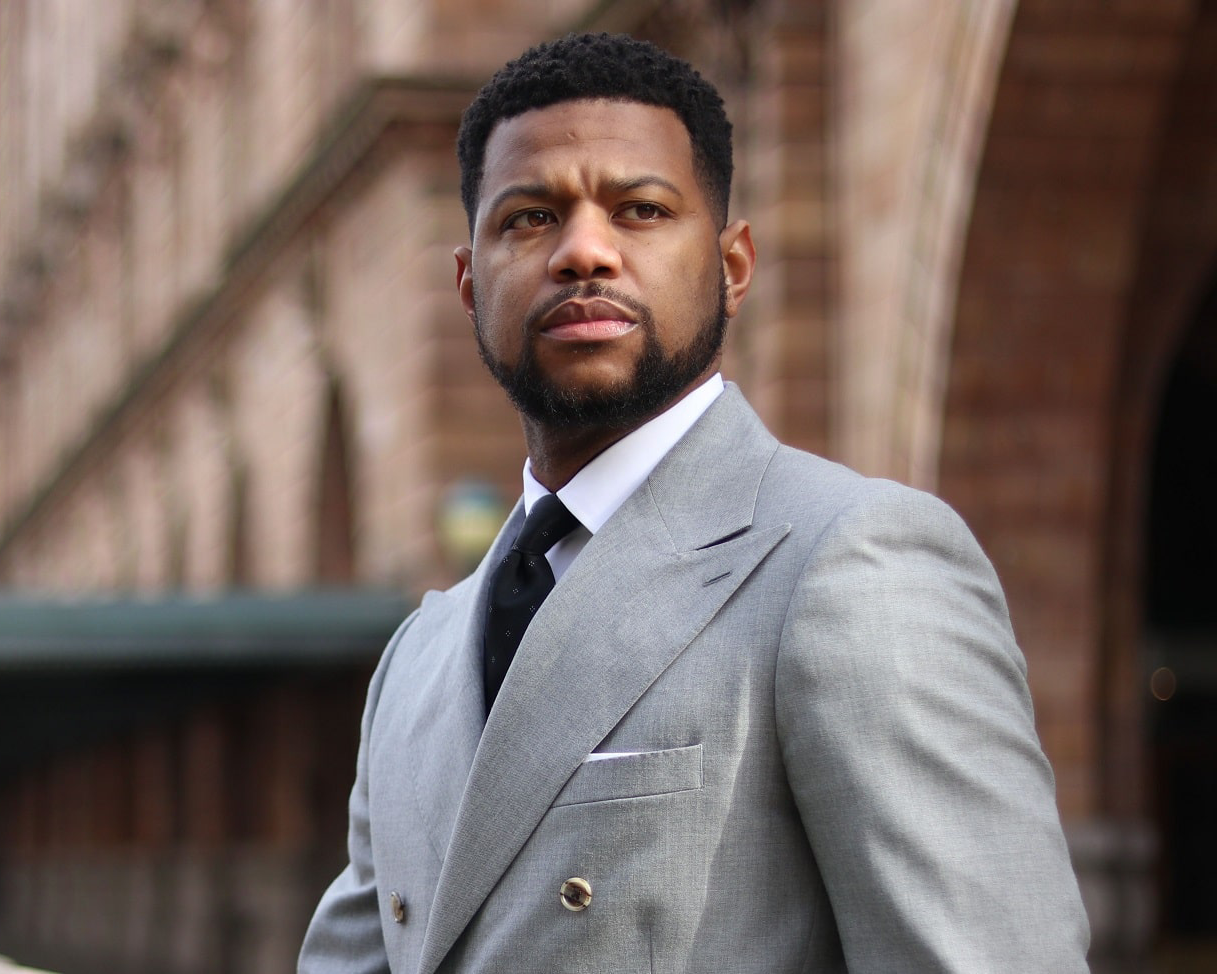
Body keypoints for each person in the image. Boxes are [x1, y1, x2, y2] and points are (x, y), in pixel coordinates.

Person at [299, 32, 1091, 973]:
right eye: (528, 218)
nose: (583, 252)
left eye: (639, 210)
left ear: (733, 265)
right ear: (469, 284)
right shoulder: (417, 659)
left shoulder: (851, 564)